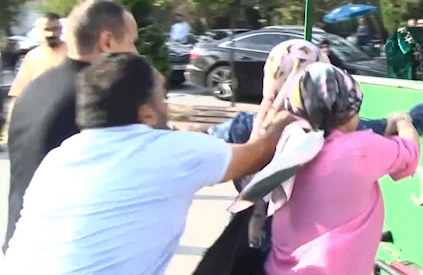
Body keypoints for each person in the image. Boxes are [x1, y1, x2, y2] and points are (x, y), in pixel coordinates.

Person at [194, 40, 423, 274]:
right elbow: (410, 128)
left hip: (254, 257)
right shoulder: (347, 138)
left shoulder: (242, 127)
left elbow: (197, 148)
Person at [2, 53, 295, 274]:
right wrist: (284, 114)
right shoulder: (170, 151)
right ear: (145, 114)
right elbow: (257, 154)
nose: (166, 105)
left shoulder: (59, 158)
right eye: (162, 96)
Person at [2, 0, 139, 253]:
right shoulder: (98, 97)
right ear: (107, 42)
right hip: (65, 252)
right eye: (132, 42)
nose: (136, 54)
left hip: (23, 245)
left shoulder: (36, 87)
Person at [264, 63, 419, 274]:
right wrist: (403, 121)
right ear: (350, 109)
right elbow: (409, 157)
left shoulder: (289, 141)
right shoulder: (359, 148)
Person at [7, 12, 67, 100]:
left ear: (61, 29)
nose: (51, 34)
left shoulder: (72, 52)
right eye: (47, 29)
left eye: (55, 29)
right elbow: (18, 91)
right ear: (39, 31)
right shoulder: (32, 56)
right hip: (41, 105)